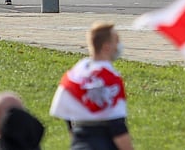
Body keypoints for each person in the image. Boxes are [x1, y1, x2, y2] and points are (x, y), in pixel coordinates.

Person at [50, 21, 133, 150]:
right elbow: (117, 126)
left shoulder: (73, 76)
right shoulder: (111, 80)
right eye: (117, 41)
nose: (119, 46)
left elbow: (67, 119)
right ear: (106, 47)